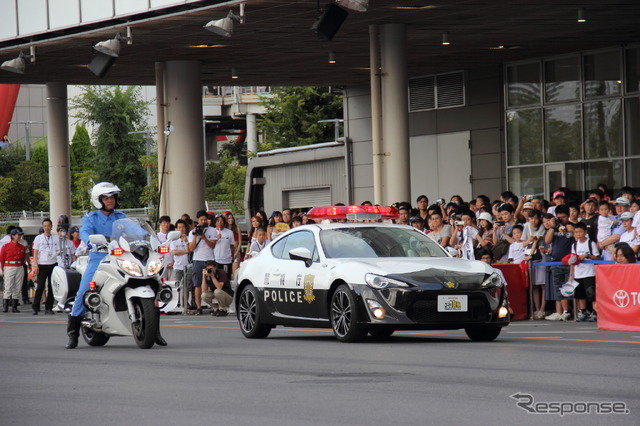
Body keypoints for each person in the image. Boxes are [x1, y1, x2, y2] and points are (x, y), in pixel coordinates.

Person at [65, 183, 151, 348]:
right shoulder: (91, 218)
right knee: (84, 291)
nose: (110, 201)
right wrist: (91, 241)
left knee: (148, 281)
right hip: (99, 257)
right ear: (99, 200)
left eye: (112, 197)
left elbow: (137, 230)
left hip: (121, 256)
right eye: (106, 198)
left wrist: (150, 238)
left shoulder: (121, 216)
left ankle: (154, 332)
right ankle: (73, 334)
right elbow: (85, 233)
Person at [544, 205, 575, 321]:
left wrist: (569, 227)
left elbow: (578, 238)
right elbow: (547, 240)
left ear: (568, 216)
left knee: (570, 288)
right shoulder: (554, 228)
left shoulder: (571, 227)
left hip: (570, 262)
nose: (561, 219)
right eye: (559, 217)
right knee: (558, 288)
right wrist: (553, 227)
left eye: (564, 217)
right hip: (556, 262)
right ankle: (565, 311)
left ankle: (574, 311)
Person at [188, 210, 217, 316]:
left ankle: (213, 306)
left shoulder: (212, 230)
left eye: (205, 219)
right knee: (197, 284)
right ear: (197, 220)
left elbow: (212, 245)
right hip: (197, 259)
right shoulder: (192, 232)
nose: (204, 221)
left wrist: (204, 237)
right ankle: (199, 307)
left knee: (212, 283)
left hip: (209, 259)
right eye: (201, 220)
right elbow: (191, 249)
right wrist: (196, 236)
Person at [570, 222, 600, 322]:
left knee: (591, 294)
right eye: (576, 232)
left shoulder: (591, 244)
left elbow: (597, 258)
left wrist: (587, 256)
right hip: (578, 273)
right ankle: (583, 312)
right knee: (580, 294)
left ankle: (595, 312)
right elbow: (572, 261)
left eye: (580, 232)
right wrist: (571, 274)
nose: (578, 234)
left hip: (589, 272)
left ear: (585, 232)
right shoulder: (574, 245)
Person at [32, 218, 59, 315]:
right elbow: (35, 252)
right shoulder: (38, 238)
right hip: (42, 264)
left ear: (51, 227)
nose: (47, 227)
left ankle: (49, 307)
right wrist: (35, 265)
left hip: (53, 264)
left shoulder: (56, 238)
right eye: (45, 226)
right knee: (40, 286)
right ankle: (35, 307)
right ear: (43, 227)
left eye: (48, 225)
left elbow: (58, 250)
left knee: (52, 287)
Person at [0, 229, 28, 312]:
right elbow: (2, 258)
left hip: (19, 265)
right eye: (17, 235)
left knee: (18, 286)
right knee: (8, 286)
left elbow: (23, 258)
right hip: (9, 265)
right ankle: (5, 306)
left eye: (20, 235)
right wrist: (3, 268)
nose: (19, 236)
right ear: (12, 236)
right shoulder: (6, 246)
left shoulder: (22, 247)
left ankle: (14, 306)